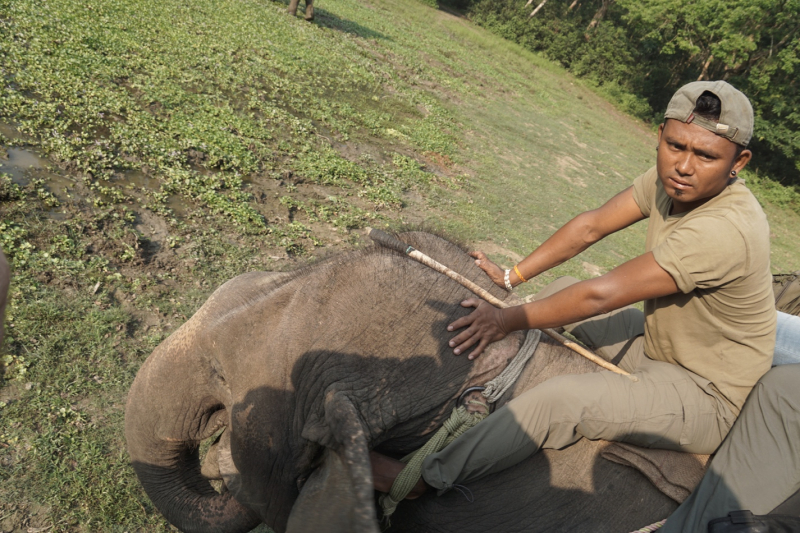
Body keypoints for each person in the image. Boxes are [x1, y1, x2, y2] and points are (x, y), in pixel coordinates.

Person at [370, 81, 777, 502]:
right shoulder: (669, 181)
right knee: (562, 291)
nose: (684, 165)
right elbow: (591, 226)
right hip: (659, 345)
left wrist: (504, 318)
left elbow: (601, 295)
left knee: (561, 400)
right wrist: (511, 277)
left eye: (706, 156)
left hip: (707, 392)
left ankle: (423, 479)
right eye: (676, 146)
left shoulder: (726, 229)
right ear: (660, 135)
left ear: (739, 162)